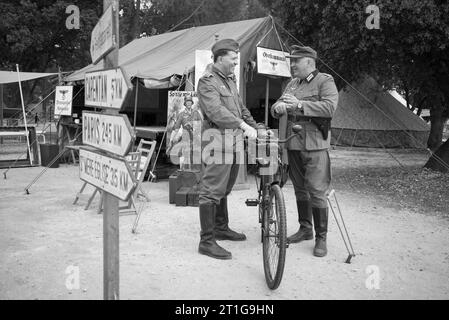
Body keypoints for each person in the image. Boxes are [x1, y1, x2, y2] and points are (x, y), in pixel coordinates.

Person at [271, 45, 339, 257]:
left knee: (317, 190)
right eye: (291, 61)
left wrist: (300, 105)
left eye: (296, 61)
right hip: (293, 143)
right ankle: (305, 229)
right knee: (300, 189)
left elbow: (329, 108)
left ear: (309, 62)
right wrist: (278, 108)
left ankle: (321, 237)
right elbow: (277, 106)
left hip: (315, 144)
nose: (292, 65)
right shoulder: (292, 84)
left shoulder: (324, 81)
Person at [196, 38, 259, 260]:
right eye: (233, 59)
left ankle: (221, 228)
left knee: (225, 187)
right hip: (216, 141)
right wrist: (242, 125)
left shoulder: (230, 80)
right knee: (211, 190)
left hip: (232, 141)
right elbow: (215, 111)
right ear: (221, 58)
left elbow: (240, 108)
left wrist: (255, 127)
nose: (235, 63)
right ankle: (206, 241)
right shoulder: (207, 81)